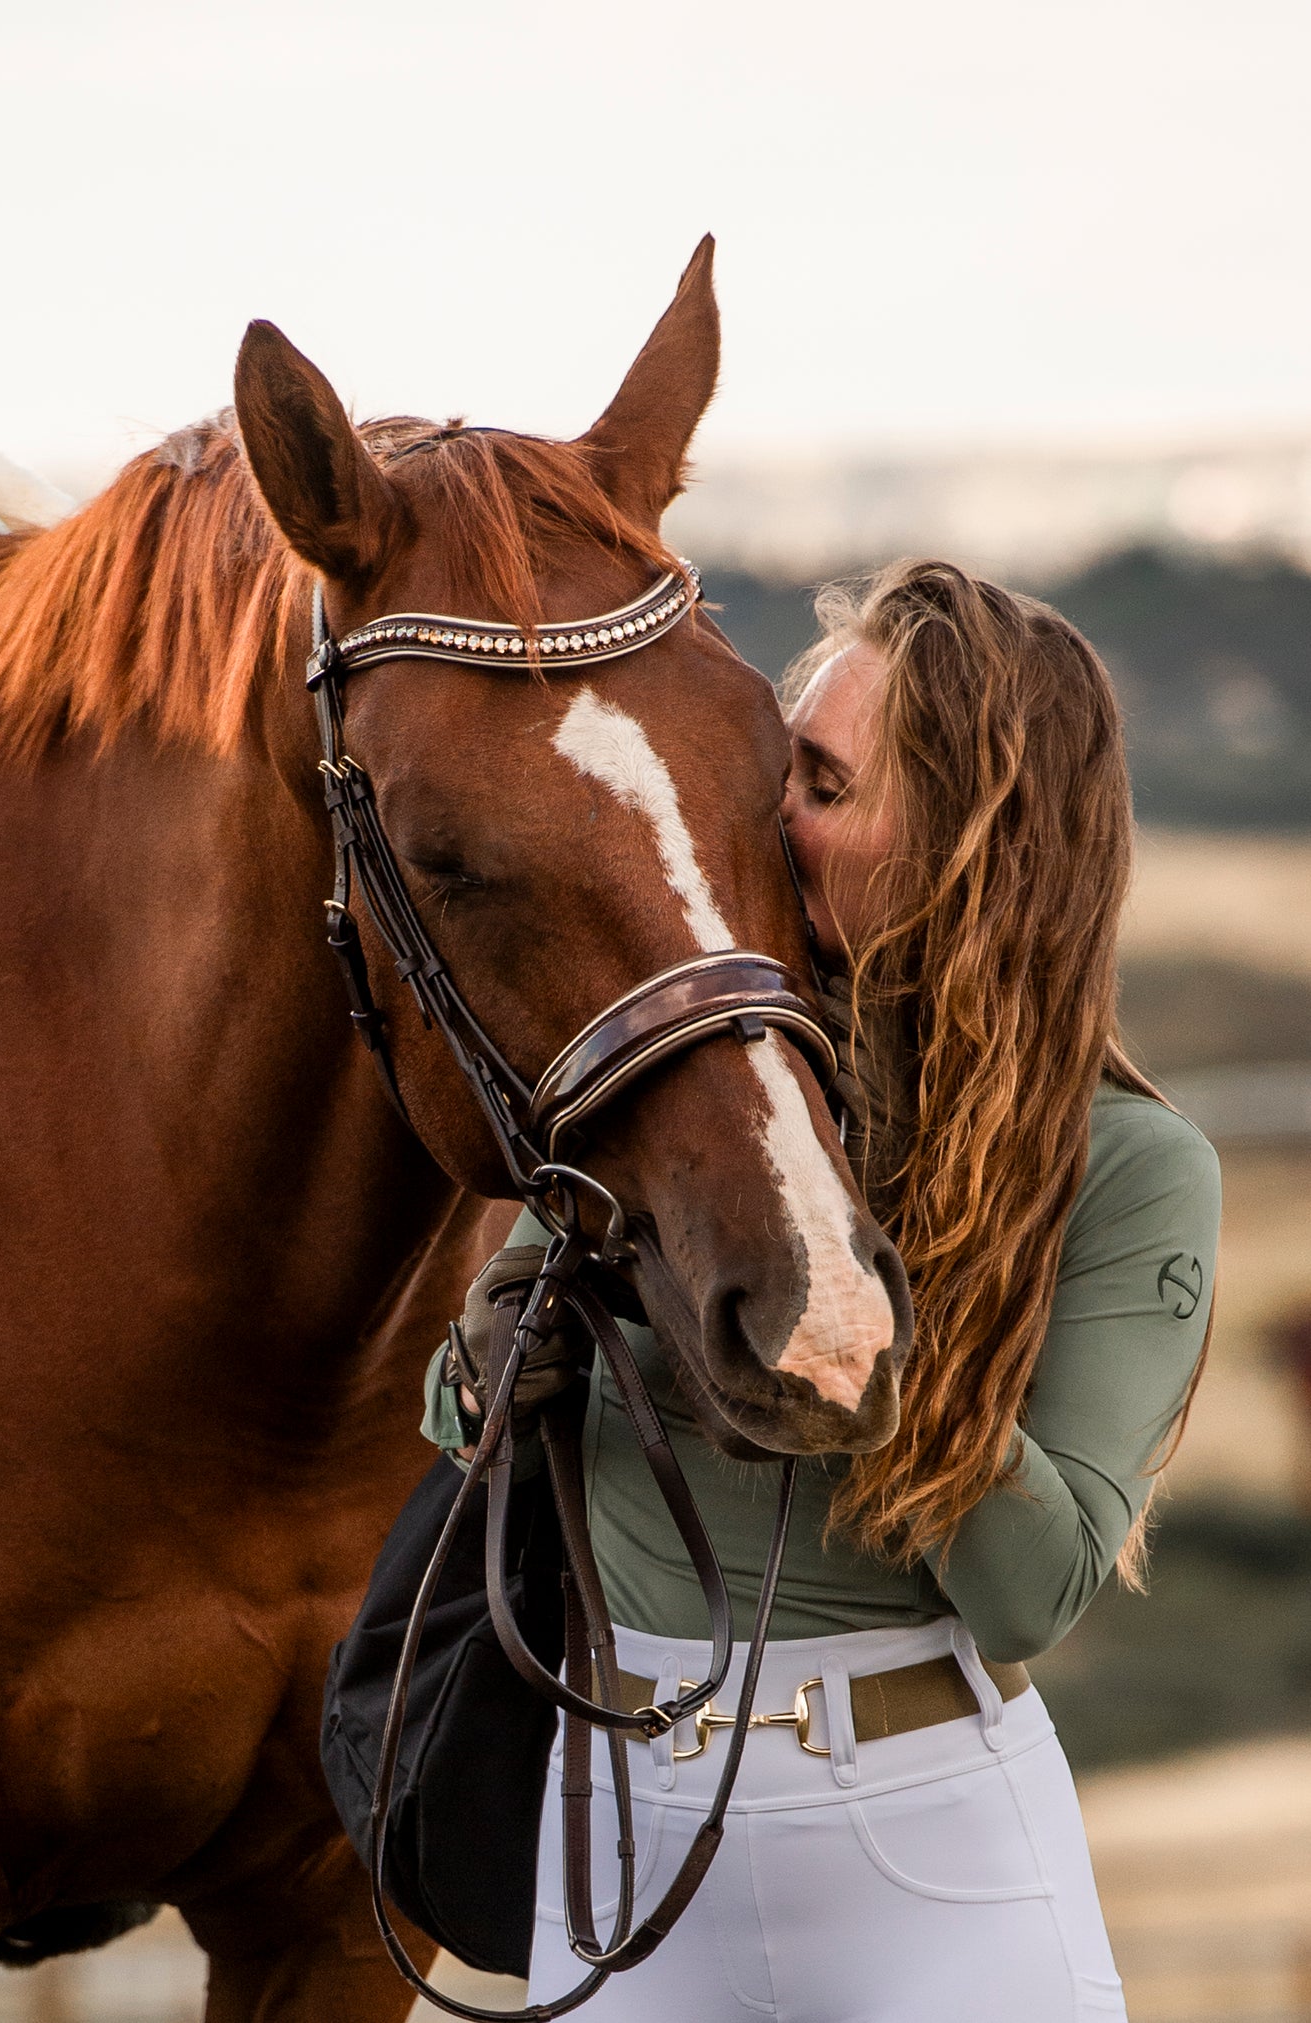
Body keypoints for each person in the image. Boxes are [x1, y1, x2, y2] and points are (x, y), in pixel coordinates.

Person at [422, 559, 1220, 2022]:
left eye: (826, 786)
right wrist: (492, 1353)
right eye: (776, 768)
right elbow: (459, 1421)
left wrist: (855, 1332)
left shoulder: (1131, 1169)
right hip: (620, 1825)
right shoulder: (687, 1095)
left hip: (931, 1854)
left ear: (976, 844)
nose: (771, 815)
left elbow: (1030, 1594)